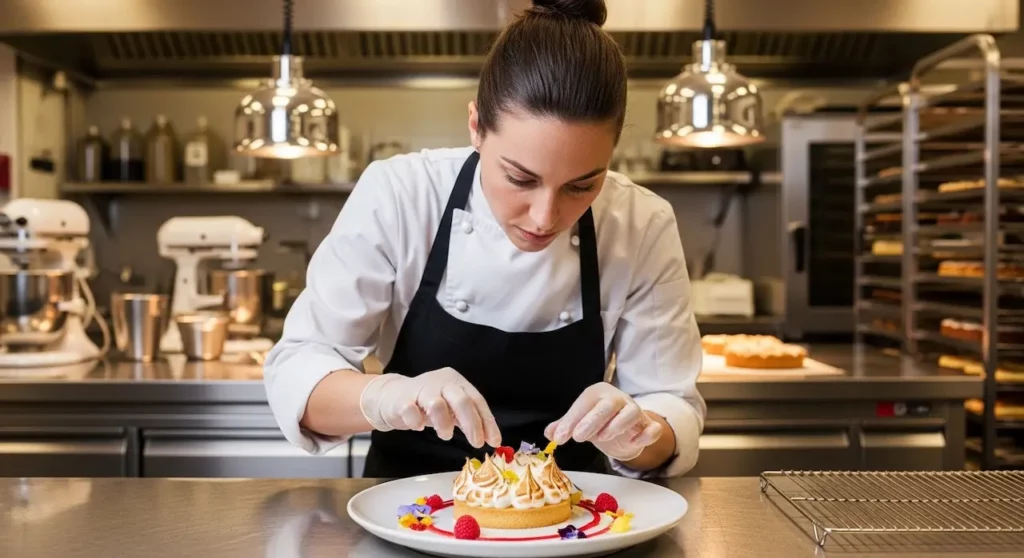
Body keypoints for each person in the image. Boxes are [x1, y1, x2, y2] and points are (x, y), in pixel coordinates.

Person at [264, 0, 706, 479]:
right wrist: (384, 396)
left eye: (582, 185)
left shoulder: (641, 221)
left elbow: (670, 408)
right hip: (405, 510)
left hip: (576, 523)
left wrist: (636, 433)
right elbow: (300, 372)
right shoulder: (402, 194)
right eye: (520, 178)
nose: (544, 217)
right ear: (476, 126)